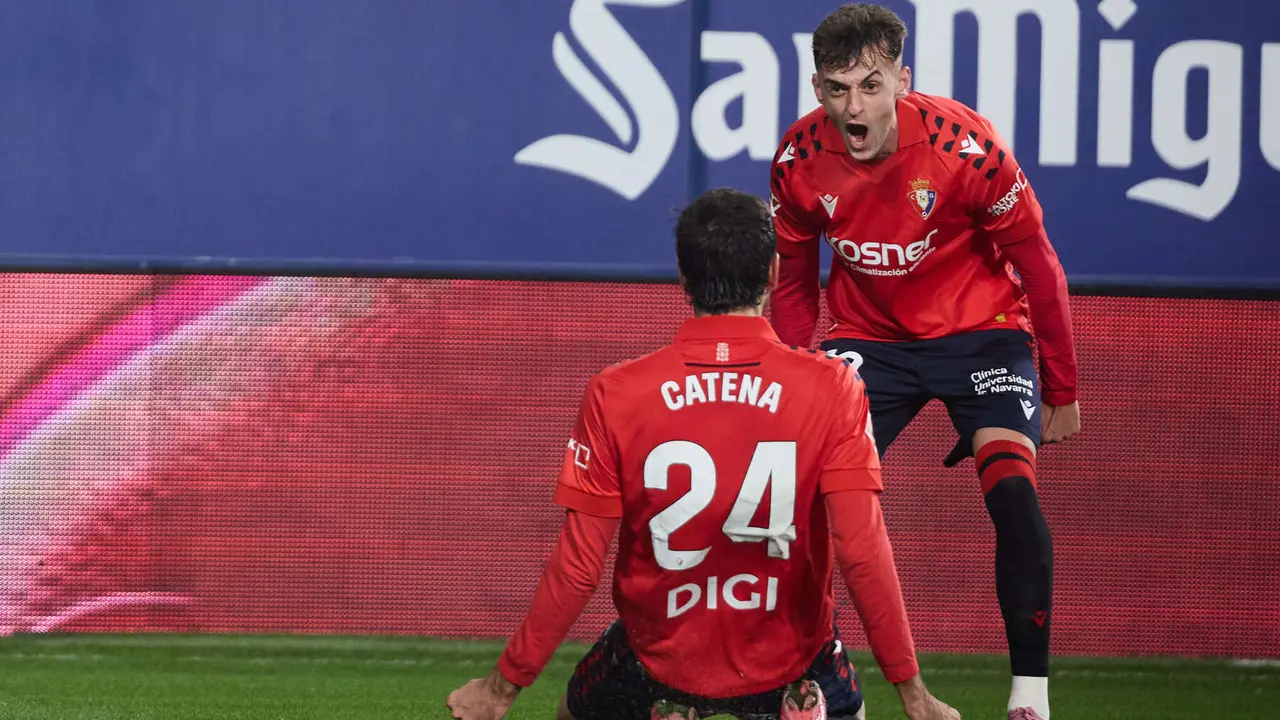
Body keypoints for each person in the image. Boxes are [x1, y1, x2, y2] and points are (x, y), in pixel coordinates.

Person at [446, 188, 960, 720]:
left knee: (575, 708)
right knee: (831, 681)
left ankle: (672, 703)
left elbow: (579, 569)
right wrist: (912, 694)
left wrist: (499, 691)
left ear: (684, 278)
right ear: (773, 276)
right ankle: (801, 699)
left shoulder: (615, 392)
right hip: (790, 660)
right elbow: (861, 551)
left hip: (657, 659)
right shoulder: (834, 387)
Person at [768, 5, 1083, 719]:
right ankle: (809, 677)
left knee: (1011, 490)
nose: (856, 107)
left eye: (872, 86)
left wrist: (1061, 391)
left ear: (902, 81)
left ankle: (1028, 699)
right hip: (868, 340)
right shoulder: (797, 160)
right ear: (818, 89)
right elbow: (791, 279)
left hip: (983, 332)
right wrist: (792, 373)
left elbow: (1040, 268)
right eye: (840, 88)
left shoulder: (965, 149)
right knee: (800, 497)